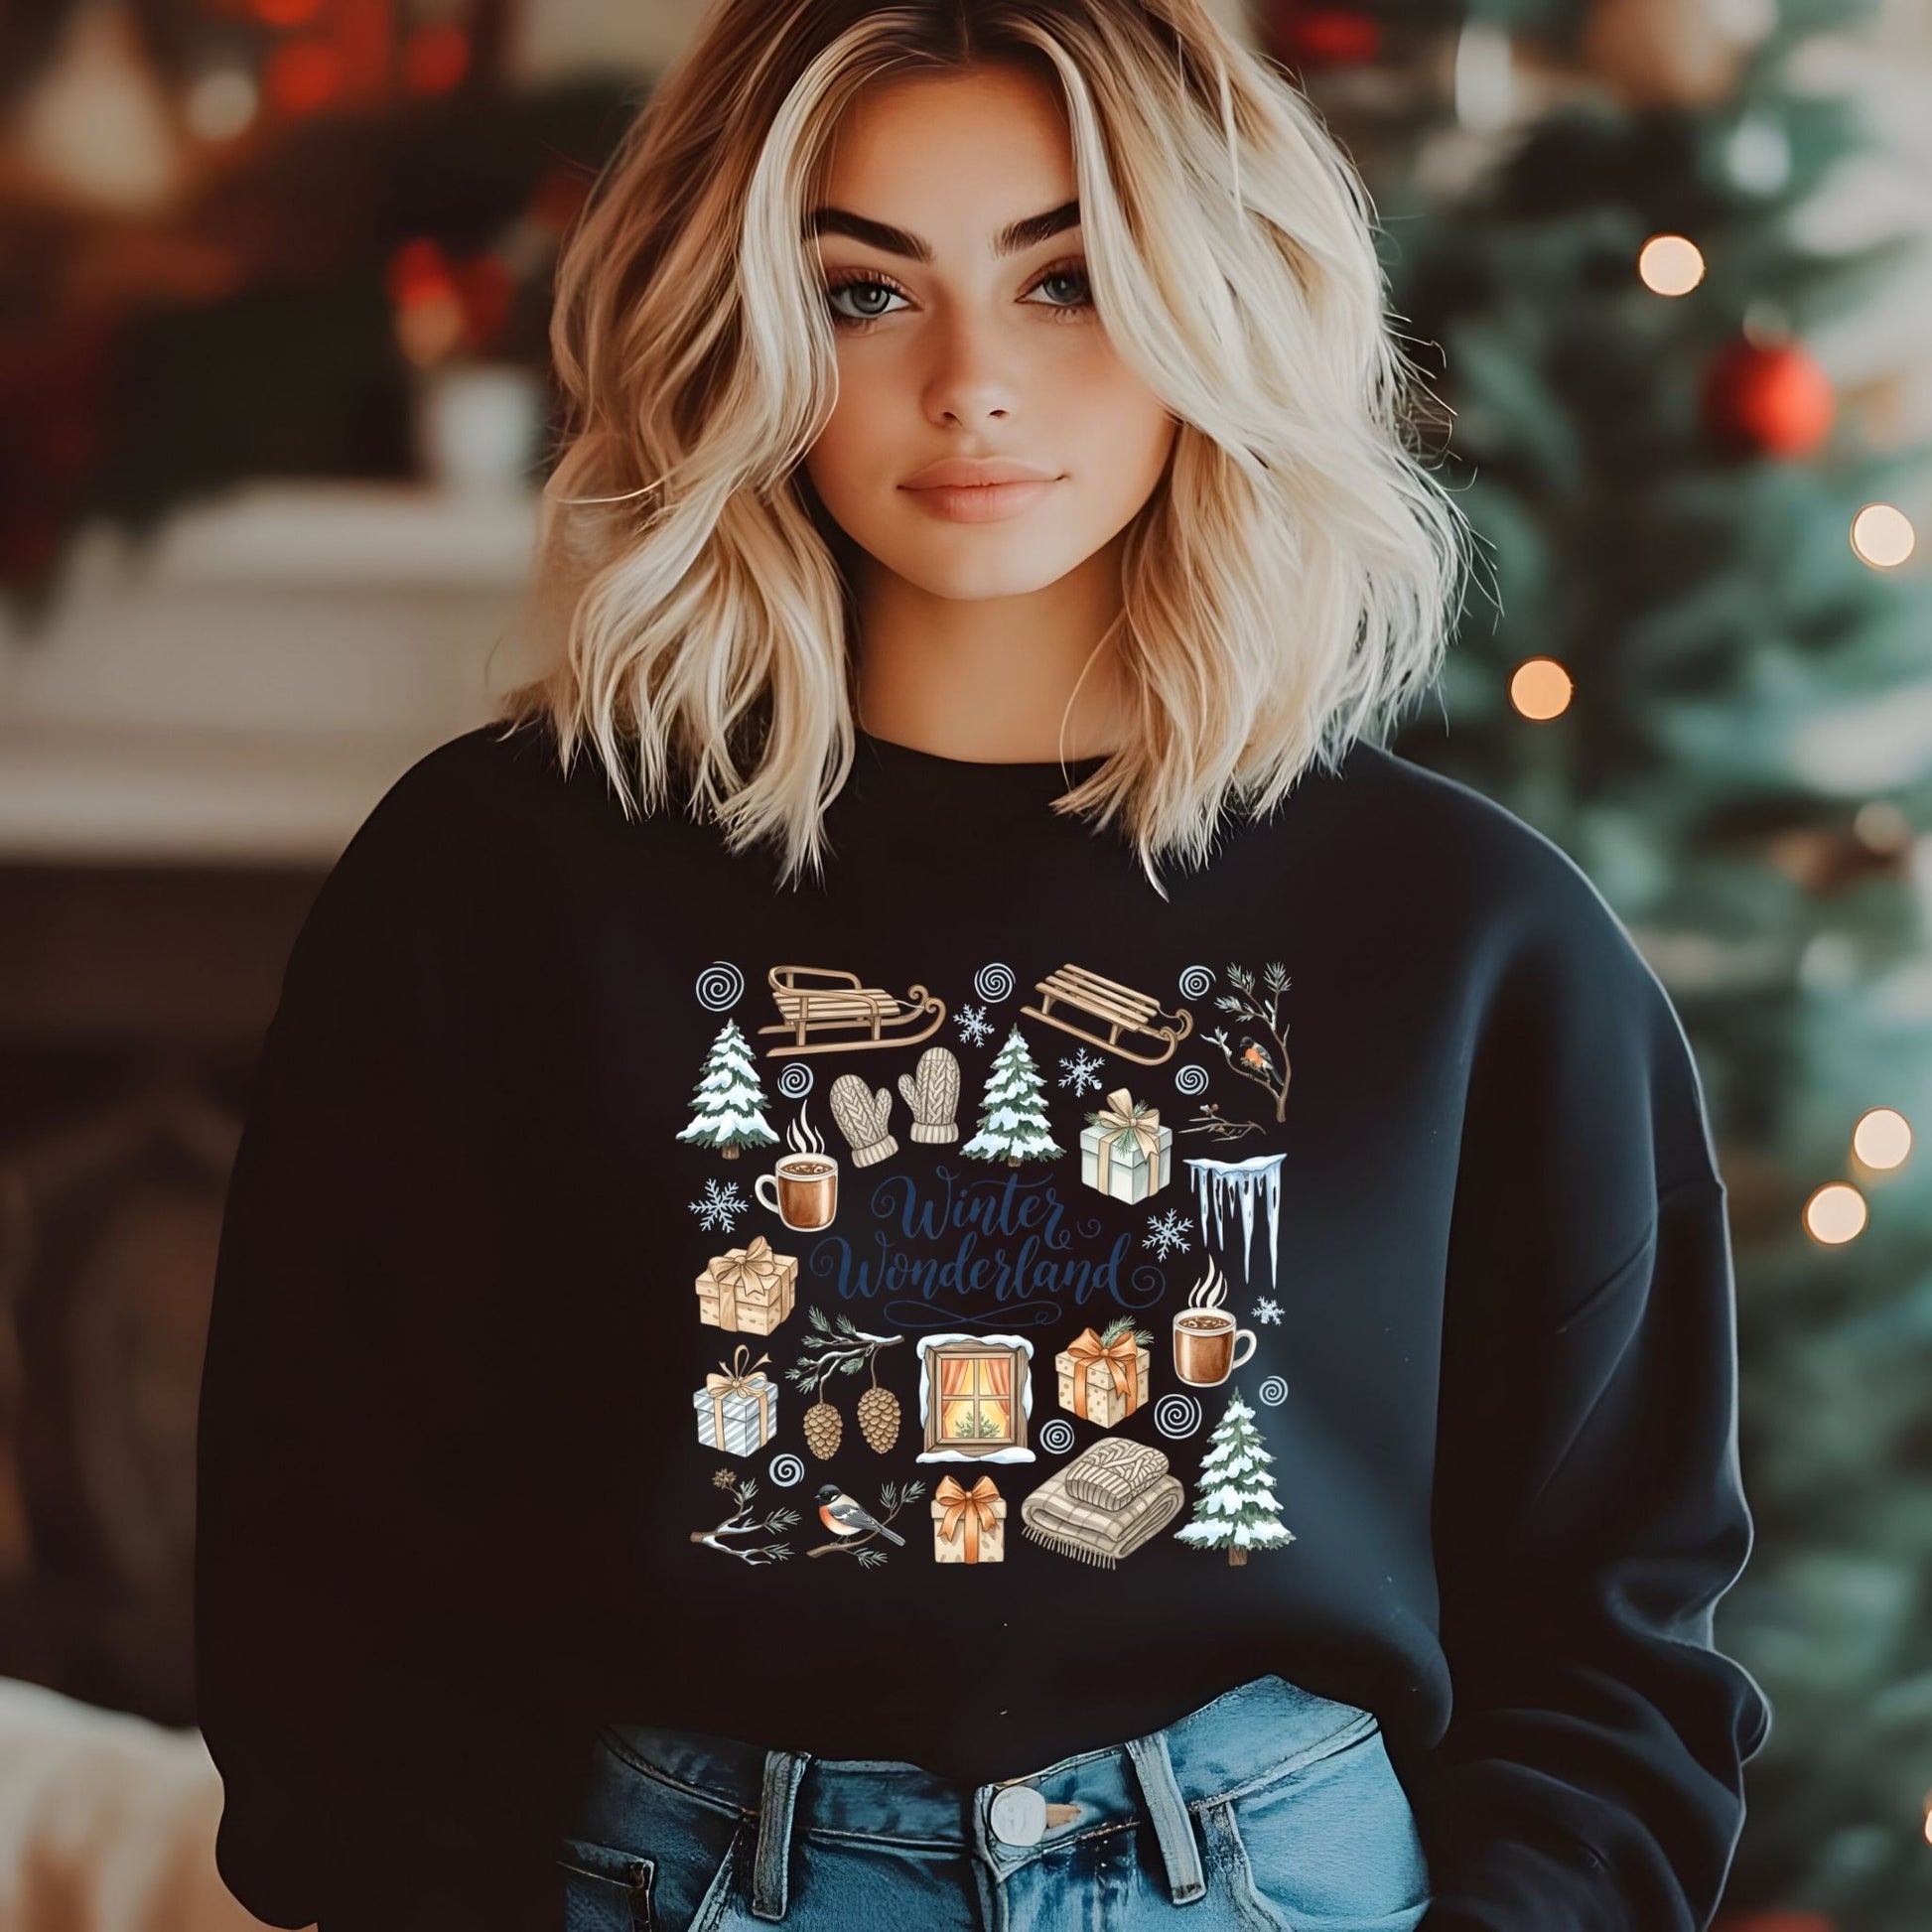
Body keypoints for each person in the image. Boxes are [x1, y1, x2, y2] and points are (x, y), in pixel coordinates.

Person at [193, 2, 1773, 1928]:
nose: (971, 387)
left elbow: (1618, 1643)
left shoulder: (1476, 941)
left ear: (1216, 303)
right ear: (742, 332)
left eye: (1068, 280)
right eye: (865, 293)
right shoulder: (493, 889)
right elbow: (323, 1585)